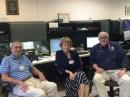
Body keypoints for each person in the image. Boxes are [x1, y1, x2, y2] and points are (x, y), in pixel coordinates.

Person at [89, 31, 130, 97]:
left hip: (116, 71)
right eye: (101, 37)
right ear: (98, 39)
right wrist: (97, 68)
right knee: (96, 79)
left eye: (105, 37)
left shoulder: (116, 46)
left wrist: (124, 69)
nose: (103, 39)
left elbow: (124, 57)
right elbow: (92, 61)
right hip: (102, 71)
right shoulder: (95, 48)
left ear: (108, 38)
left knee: (127, 80)